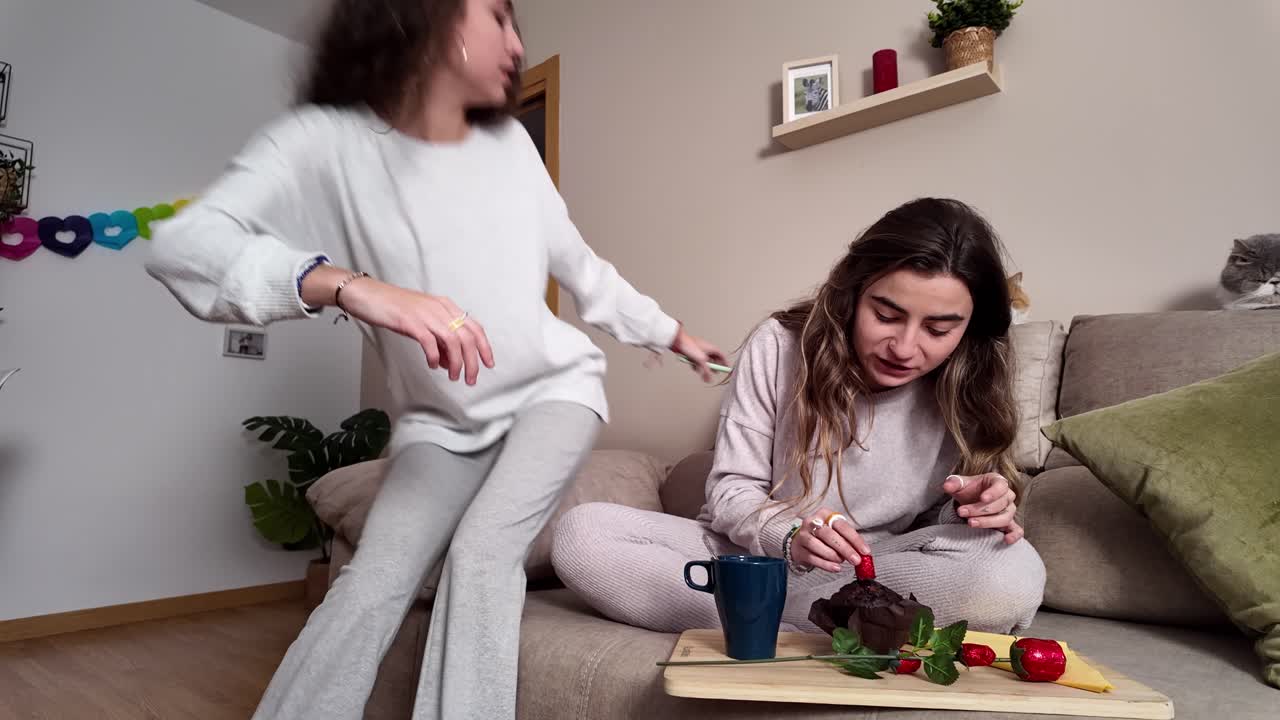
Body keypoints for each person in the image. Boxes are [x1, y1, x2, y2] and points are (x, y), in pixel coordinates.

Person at [142, 1, 724, 718]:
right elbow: (181, 247)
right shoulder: (323, 142)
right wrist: (352, 288)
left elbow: (581, 267)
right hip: (440, 423)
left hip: (552, 391)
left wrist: (668, 332)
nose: (516, 41)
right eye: (498, 16)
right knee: (371, 577)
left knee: (482, 556)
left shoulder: (510, 144)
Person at [552, 198, 1046, 637]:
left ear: (968, 327)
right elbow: (730, 492)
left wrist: (971, 509)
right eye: (887, 315)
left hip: (877, 568)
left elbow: (930, 525)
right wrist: (789, 537)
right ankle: (833, 622)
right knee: (582, 534)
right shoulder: (778, 345)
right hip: (748, 558)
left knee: (1014, 573)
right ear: (854, 293)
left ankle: (766, 620)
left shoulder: (969, 375)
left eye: (939, 328)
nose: (905, 347)